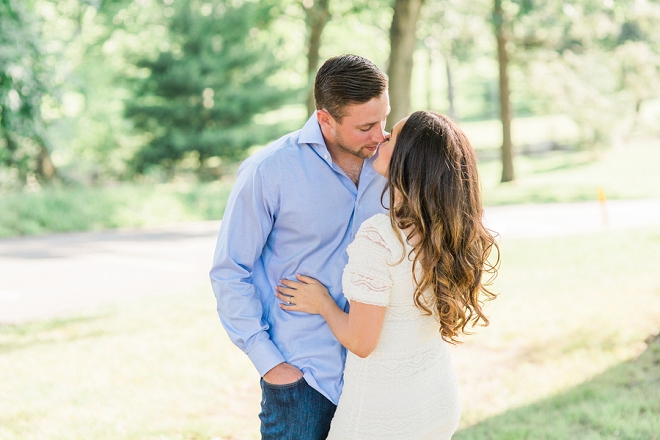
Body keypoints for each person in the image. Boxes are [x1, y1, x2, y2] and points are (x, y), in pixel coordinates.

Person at [275, 111, 500, 439]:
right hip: (437, 403)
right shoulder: (448, 231)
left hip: (382, 416)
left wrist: (323, 302)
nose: (381, 138)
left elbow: (361, 342)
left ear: (409, 159)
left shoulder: (380, 237)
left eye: (392, 137)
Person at [209, 54, 390, 439]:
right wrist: (270, 363)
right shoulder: (269, 170)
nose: (380, 135)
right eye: (366, 127)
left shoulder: (391, 165)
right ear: (326, 119)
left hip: (377, 374)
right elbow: (230, 271)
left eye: (383, 119)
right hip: (304, 378)